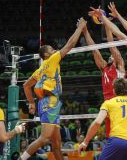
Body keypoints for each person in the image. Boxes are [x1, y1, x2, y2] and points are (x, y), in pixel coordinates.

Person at [19, 18, 87, 160]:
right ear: (46, 55)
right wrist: (80, 28)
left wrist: (31, 103)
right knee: (44, 139)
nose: (54, 49)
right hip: (49, 102)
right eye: (51, 49)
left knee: (56, 144)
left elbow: (26, 86)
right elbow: (70, 44)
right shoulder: (52, 59)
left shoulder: (39, 70)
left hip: (47, 102)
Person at [78, 78, 127, 160]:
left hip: (117, 141)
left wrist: (85, 142)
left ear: (114, 91)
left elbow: (97, 122)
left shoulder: (109, 103)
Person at [82, 23, 125, 137]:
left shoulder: (119, 65)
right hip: (107, 105)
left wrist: (106, 24)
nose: (111, 56)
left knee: (121, 133)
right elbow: (94, 50)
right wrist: (85, 31)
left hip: (119, 102)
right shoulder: (104, 68)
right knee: (110, 135)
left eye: (113, 56)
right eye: (110, 56)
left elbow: (112, 45)